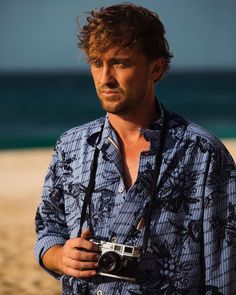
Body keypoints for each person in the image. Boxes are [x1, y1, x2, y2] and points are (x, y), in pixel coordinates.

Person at [35, 3, 236, 294]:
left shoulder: (203, 154)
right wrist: (62, 257)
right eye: (96, 62)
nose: (105, 79)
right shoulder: (71, 146)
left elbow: (223, 274)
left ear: (156, 68)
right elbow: (48, 228)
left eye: (120, 63)